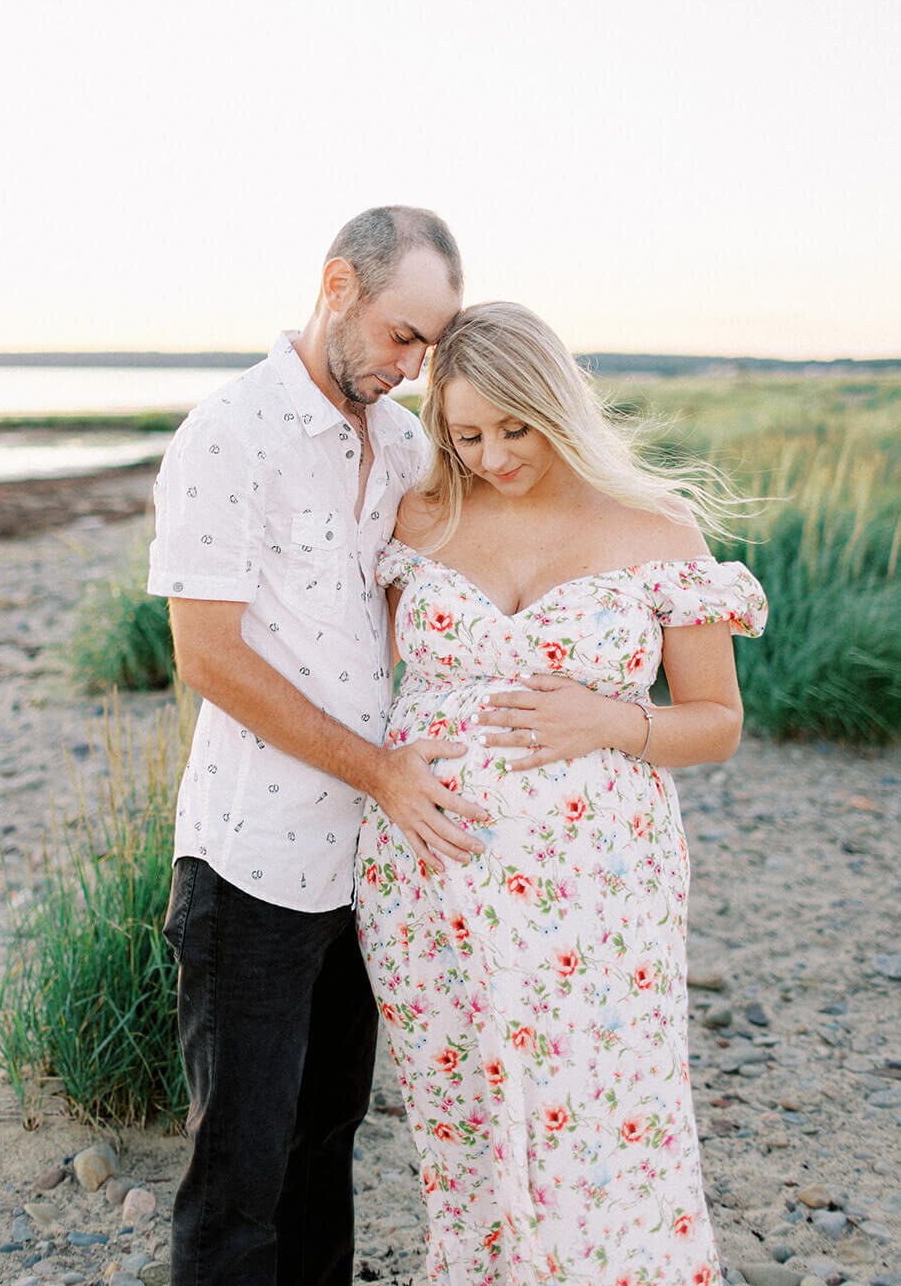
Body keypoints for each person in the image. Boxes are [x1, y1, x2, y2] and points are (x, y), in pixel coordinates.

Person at [357, 302, 768, 1286]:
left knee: (597, 1110)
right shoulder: (417, 520)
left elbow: (715, 719)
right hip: (428, 882)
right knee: (456, 1117)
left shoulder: (653, 529)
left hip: (597, 886)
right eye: (465, 433)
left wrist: (613, 722)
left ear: (557, 406)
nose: (492, 454)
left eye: (515, 428)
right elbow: (364, 680)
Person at [147, 206, 487, 1286]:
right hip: (250, 864)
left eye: (431, 346)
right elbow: (207, 656)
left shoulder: (398, 441)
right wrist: (383, 770)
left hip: (363, 869)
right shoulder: (226, 432)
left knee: (325, 1139)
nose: (414, 366)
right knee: (237, 1169)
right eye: (401, 335)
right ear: (337, 283)